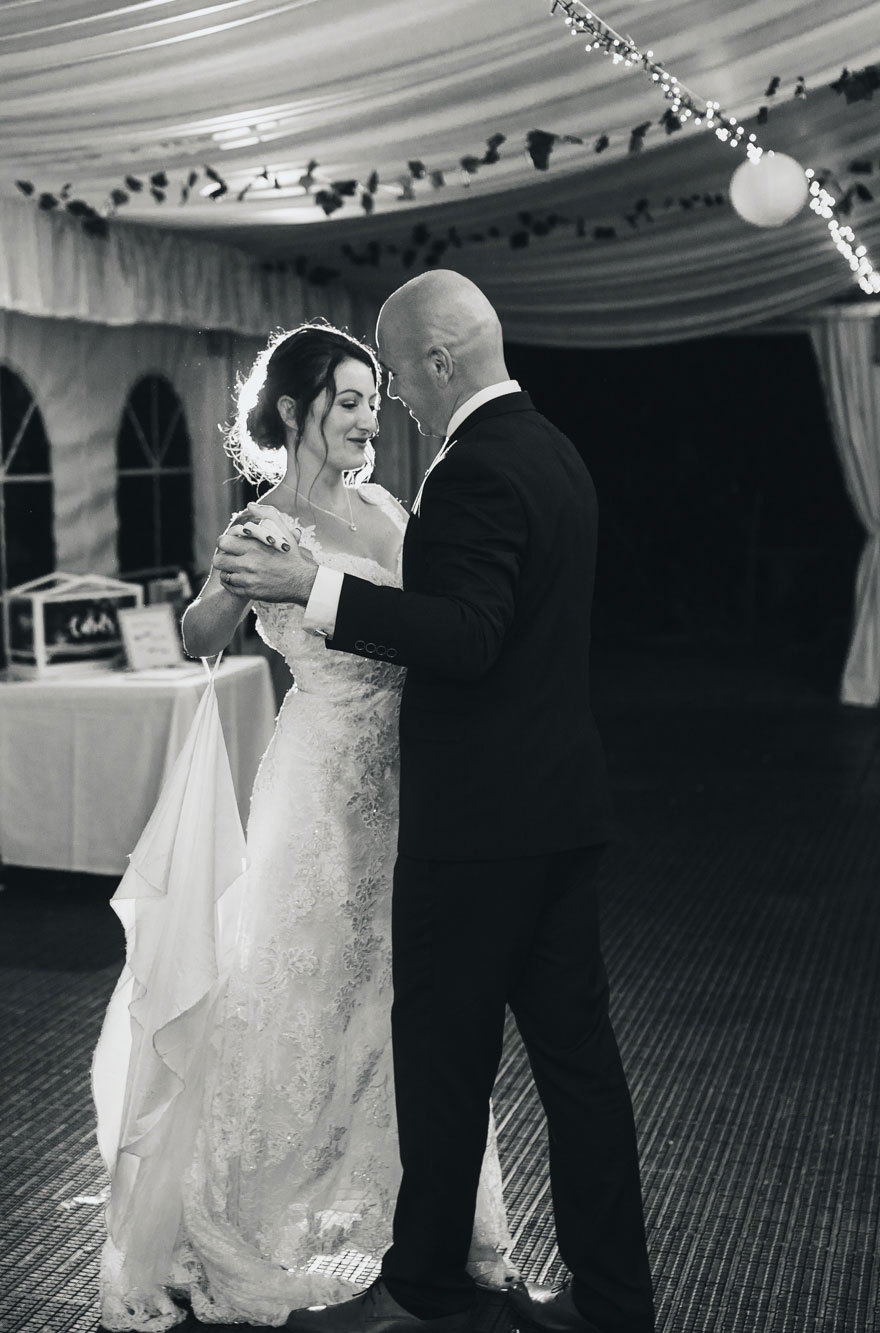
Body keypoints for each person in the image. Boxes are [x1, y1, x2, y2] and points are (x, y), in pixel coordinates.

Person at [214, 271, 655, 1333]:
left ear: (440, 360)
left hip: (475, 831)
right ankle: (613, 1305)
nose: (394, 399)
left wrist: (310, 591)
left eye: (399, 373)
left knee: (442, 1066)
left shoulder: (472, 473)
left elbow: (468, 637)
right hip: (561, 814)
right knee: (579, 1075)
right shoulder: (555, 454)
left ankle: (421, 1290)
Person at [93, 322, 515, 1330]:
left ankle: (422, 1213)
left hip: (407, 777)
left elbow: (437, 624)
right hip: (316, 784)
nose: (370, 419)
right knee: (299, 993)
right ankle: (250, 1216)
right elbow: (200, 636)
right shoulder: (259, 526)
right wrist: (227, 579)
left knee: (398, 995)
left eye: (375, 399)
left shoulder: (383, 509)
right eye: (351, 399)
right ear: (294, 411)